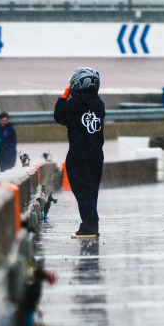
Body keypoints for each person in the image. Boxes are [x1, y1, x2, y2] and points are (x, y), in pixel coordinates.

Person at [54, 67, 105, 239]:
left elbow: (59, 116)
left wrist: (64, 96)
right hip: (96, 154)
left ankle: (89, 227)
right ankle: (90, 225)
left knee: (82, 190)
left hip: (79, 154)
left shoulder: (74, 104)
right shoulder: (100, 104)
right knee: (91, 191)